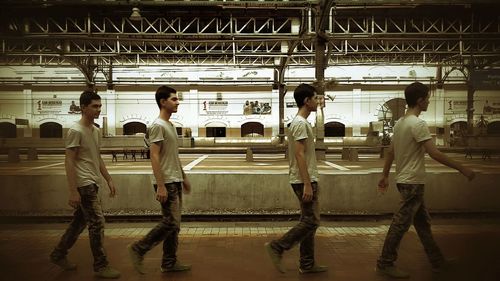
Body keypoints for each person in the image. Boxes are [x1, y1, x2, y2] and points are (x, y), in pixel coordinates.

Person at [376, 82, 475, 278]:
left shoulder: (400, 123)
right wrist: (461, 167)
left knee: (422, 224)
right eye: (427, 98)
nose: (429, 101)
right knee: (401, 223)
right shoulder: (418, 124)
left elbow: (391, 151)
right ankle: (385, 262)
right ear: (420, 101)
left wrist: (385, 175)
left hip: (405, 180)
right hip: (413, 182)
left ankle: (437, 261)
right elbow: (434, 153)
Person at [49, 91, 120, 279]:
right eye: (94, 106)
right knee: (97, 222)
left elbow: (97, 158)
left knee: (79, 222)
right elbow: (69, 161)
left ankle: (58, 254)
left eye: (100, 106)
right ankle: (101, 265)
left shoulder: (95, 131)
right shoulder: (75, 131)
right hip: (84, 183)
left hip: (94, 182)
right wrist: (73, 191)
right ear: (83, 107)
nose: (98, 109)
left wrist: (108, 179)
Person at [264, 83, 327, 274]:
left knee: (308, 221)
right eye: (315, 98)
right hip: (303, 180)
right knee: (311, 221)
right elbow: (299, 155)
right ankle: (278, 246)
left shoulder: (301, 122)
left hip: (304, 178)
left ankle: (307, 263)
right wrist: (307, 183)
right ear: (307, 101)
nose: (318, 101)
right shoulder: (300, 123)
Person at [128, 86, 192, 274]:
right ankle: (138, 248)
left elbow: (173, 156)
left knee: (175, 225)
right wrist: (161, 185)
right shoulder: (157, 126)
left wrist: (184, 177)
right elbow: (154, 156)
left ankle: (169, 262)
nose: (177, 102)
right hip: (167, 181)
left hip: (175, 179)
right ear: (163, 102)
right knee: (170, 222)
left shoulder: (170, 126)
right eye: (174, 99)